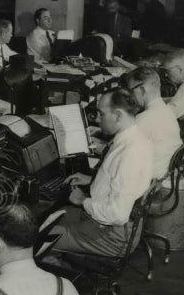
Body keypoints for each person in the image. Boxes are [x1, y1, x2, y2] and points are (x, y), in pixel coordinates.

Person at [49, 89, 154, 258]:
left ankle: (58, 271)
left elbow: (117, 215)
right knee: (52, 217)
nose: (97, 119)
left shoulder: (129, 154)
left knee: (37, 238)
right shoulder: (136, 138)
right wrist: (93, 179)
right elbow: (123, 181)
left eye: (101, 114)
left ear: (118, 115)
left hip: (112, 236)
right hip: (109, 223)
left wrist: (82, 200)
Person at [126, 67, 182, 181]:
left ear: (142, 90)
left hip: (147, 180)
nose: (130, 96)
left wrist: (94, 144)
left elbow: (120, 152)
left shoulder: (144, 119)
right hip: (163, 173)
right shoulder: (167, 111)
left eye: (131, 91)